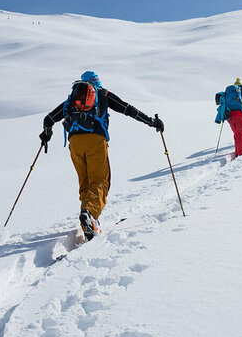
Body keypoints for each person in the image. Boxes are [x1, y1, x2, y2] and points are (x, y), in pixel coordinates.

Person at [39, 71, 163, 240]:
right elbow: (128, 109)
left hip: (74, 143)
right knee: (100, 181)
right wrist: (151, 121)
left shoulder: (72, 100)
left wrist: (46, 135)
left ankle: (88, 222)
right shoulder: (103, 94)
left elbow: (48, 119)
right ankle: (89, 214)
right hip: (96, 141)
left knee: (85, 182)